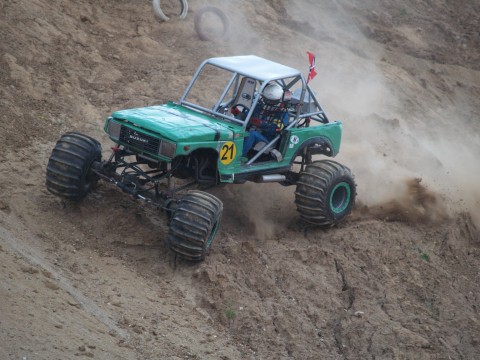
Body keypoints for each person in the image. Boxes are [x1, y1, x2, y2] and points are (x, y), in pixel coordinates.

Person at [241, 83, 290, 157]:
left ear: (279, 101)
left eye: (272, 101)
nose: (268, 103)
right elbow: (246, 117)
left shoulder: (282, 113)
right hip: (252, 134)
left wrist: (261, 124)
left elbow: (277, 129)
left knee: (252, 134)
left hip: (268, 142)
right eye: (266, 100)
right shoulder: (258, 107)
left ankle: (239, 157)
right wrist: (238, 114)